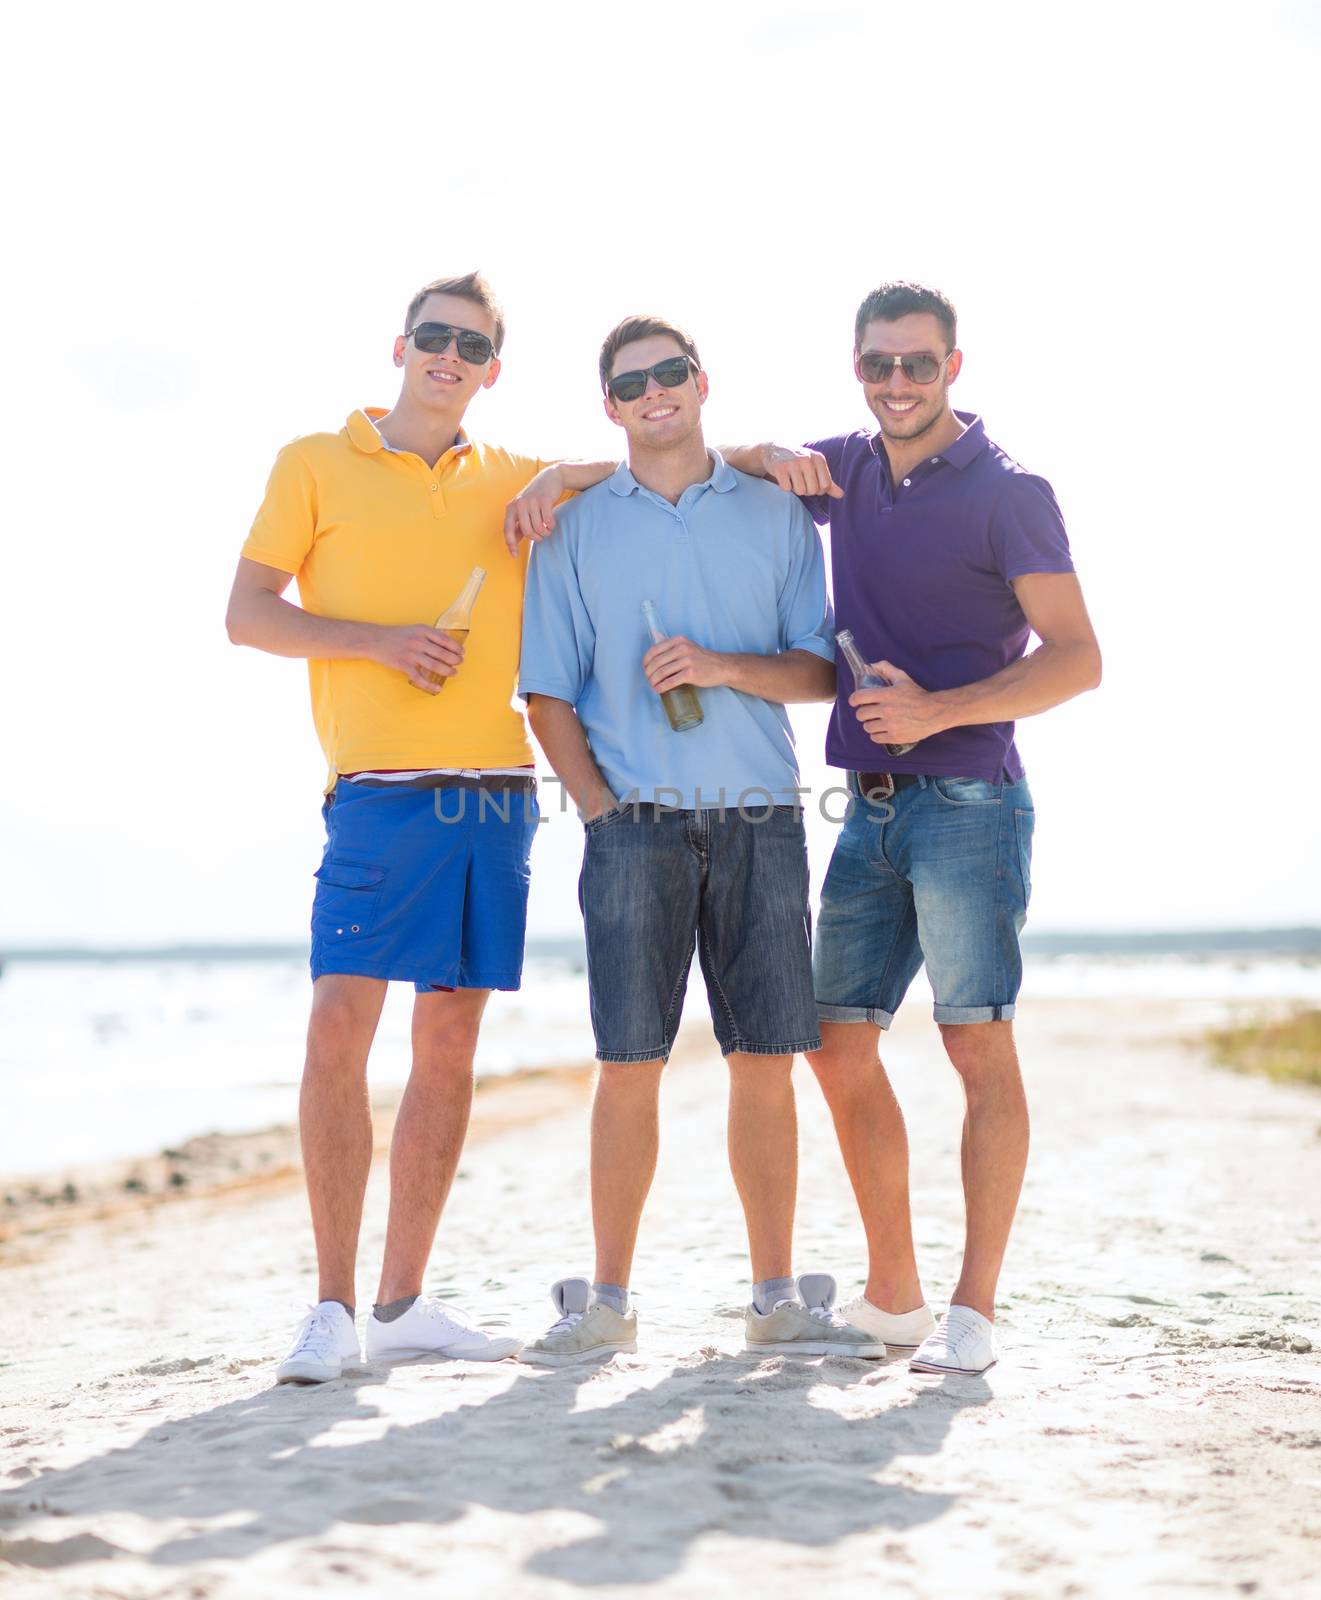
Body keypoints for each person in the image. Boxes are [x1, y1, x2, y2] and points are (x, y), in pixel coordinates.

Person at [225, 272, 613, 1384]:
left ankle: (399, 1305)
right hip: (379, 789)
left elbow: (627, 469)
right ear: (400, 346)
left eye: (472, 344)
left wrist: (559, 475)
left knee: (449, 1046)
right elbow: (248, 616)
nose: (448, 355)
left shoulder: (510, 480)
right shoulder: (314, 461)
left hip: (493, 792)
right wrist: (380, 641)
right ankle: (332, 1306)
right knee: (338, 1029)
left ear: (494, 367)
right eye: (434, 336)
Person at [724, 281, 1102, 1376]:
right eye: (878, 364)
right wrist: (776, 451)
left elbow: (1078, 658)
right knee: (834, 1046)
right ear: (858, 368)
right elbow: (746, 458)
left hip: (973, 804)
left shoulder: (1010, 493)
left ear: (953, 367)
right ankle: (894, 1292)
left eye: (917, 364)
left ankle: (974, 1309)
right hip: (868, 810)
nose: (897, 382)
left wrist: (939, 709)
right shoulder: (846, 466)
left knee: (973, 1043)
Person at [514, 315, 886, 1364]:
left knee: (765, 1060)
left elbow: (820, 673)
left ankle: (774, 1297)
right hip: (632, 829)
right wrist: (599, 810)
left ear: (701, 379)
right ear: (610, 407)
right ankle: (607, 1304)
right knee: (626, 1063)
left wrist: (722, 666)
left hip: (763, 819)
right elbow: (544, 693)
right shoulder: (574, 525)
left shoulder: (773, 512)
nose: (654, 394)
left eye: (669, 373)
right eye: (631, 385)